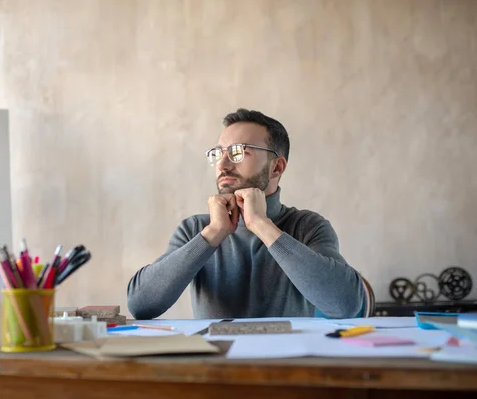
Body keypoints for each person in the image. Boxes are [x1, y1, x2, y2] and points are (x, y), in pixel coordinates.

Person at [127, 108, 364, 320]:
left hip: (287, 365)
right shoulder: (194, 229)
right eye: (218, 153)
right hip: (215, 365)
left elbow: (346, 305)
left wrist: (261, 225)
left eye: (239, 152)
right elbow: (141, 306)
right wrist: (211, 235)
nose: (223, 164)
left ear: (277, 167)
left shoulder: (308, 226)